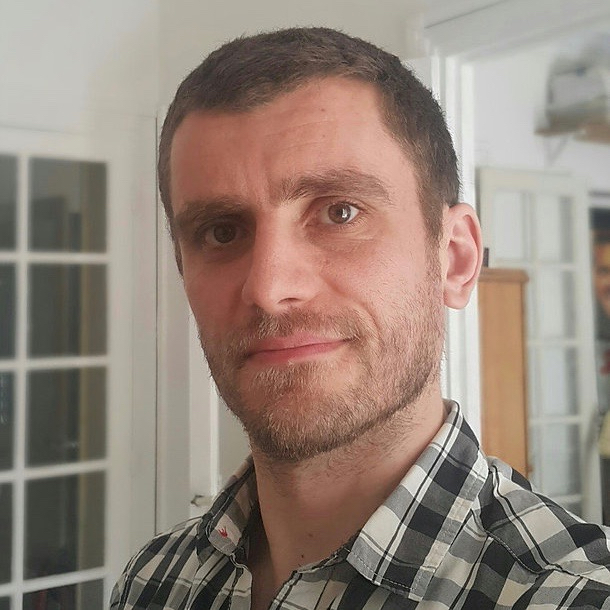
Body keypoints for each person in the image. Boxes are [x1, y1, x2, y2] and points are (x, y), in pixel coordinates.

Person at [111, 27, 610, 609]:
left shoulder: (572, 595)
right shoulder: (153, 582)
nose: (269, 288)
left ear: (455, 259)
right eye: (222, 232)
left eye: (340, 213)